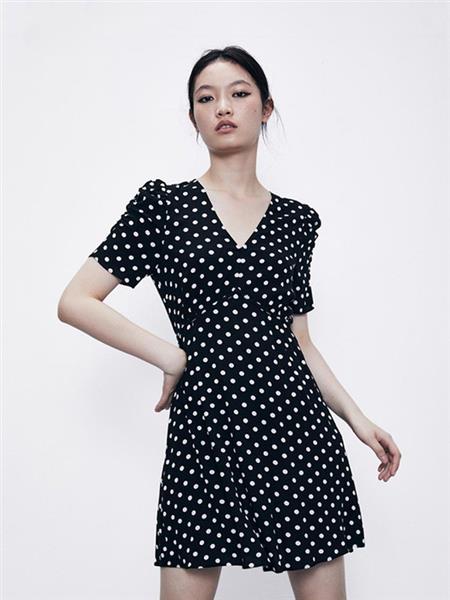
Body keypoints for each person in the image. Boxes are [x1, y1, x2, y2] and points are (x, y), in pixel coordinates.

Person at [57, 46, 402, 600]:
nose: (222, 106)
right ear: (193, 116)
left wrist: (358, 420)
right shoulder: (163, 207)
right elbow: (76, 300)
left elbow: (299, 342)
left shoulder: (296, 222)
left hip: (297, 433)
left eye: (239, 93)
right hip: (205, 430)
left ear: (265, 108)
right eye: (206, 97)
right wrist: (171, 355)